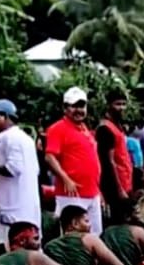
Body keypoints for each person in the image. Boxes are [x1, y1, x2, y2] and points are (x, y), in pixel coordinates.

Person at [45, 88, 105, 236]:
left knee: (95, 235)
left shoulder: (85, 129)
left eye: (82, 106)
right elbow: (49, 156)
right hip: (71, 194)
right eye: (74, 106)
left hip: (92, 193)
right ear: (65, 108)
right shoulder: (57, 128)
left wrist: (99, 191)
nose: (79, 110)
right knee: (73, 236)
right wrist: (66, 179)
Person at [0, 98, 41, 247]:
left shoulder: (11, 138)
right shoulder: (21, 138)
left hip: (14, 206)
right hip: (22, 204)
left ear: (6, 117)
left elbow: (13, 169)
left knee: (15, 246)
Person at [44, 203, 131, 265]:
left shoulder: (49, 246)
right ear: (75, 224)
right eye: (86, 221)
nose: (90, 225)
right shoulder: (90, 239)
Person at [94, 90, 137, 225]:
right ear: (109, 105)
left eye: (124, 104)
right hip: (115, 186)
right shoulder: (105, 129)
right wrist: (119, 189)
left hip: (125, 181)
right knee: (119, 222)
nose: (122, 108)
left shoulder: (117, 126)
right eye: (118, 104)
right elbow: (109, 161)